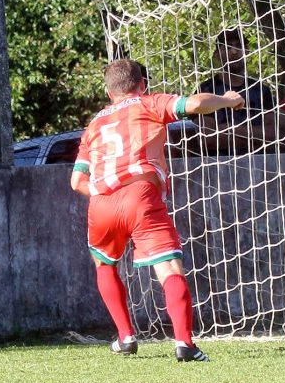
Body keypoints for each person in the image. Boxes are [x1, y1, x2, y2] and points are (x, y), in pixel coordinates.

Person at [71, 58, 246, 362]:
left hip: (100, 203)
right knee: (169, 269)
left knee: (104, 264)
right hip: (140, 193)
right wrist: (227, 100)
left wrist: (102, 193)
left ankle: (125, 337)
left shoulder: (95, 125)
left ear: (109, 92)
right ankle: (184, 344)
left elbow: (77, 181)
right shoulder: (148, 103)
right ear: (141, 85)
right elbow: (194, 104)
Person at [197, 28, 285, 153]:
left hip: (260, 164)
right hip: (220, 165)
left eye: (239, 46)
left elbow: (274, 134)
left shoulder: (261, 91)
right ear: (217, 54)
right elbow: (208, 139)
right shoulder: (206, 91)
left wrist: (232, 130)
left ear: (247, 50)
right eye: (227, 47)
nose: (234, 51)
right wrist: (256, 134)